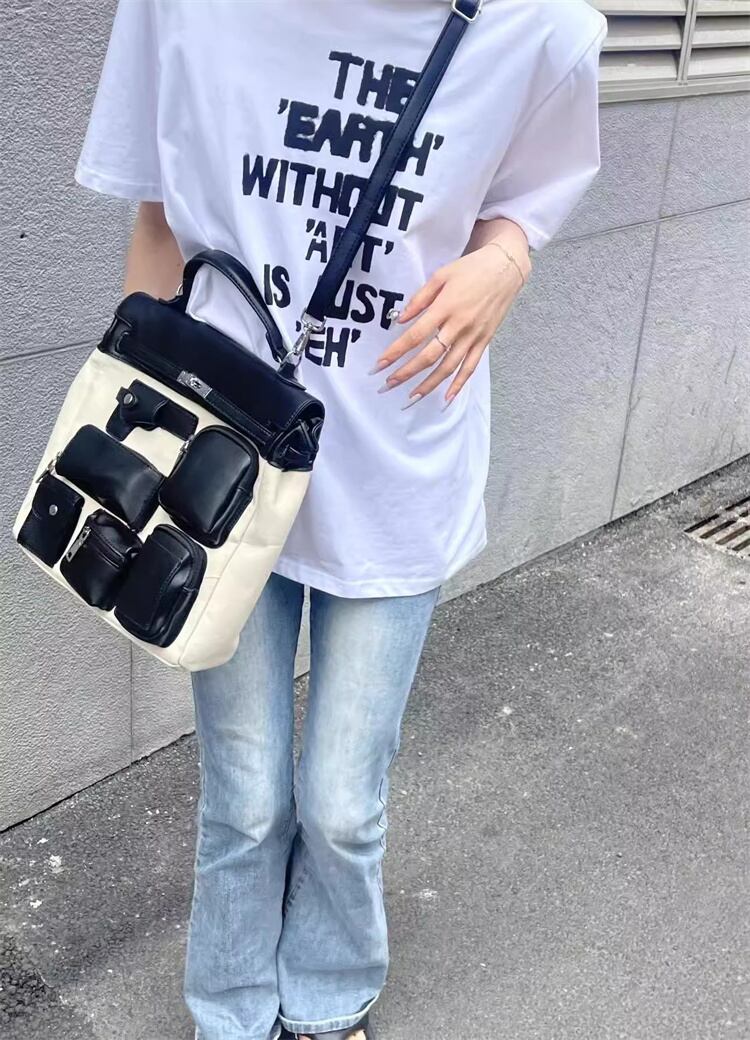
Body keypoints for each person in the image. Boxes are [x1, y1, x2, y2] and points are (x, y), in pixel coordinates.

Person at [76, 1, 606, 1037]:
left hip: (398, 462)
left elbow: (525, 198)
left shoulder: (539, 28)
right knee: (244, 795)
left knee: (343, 804)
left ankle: (329, 991)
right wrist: (137, 444)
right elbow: (160, 222)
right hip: (222, 462)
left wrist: (506, 259)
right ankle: (231, 1007)